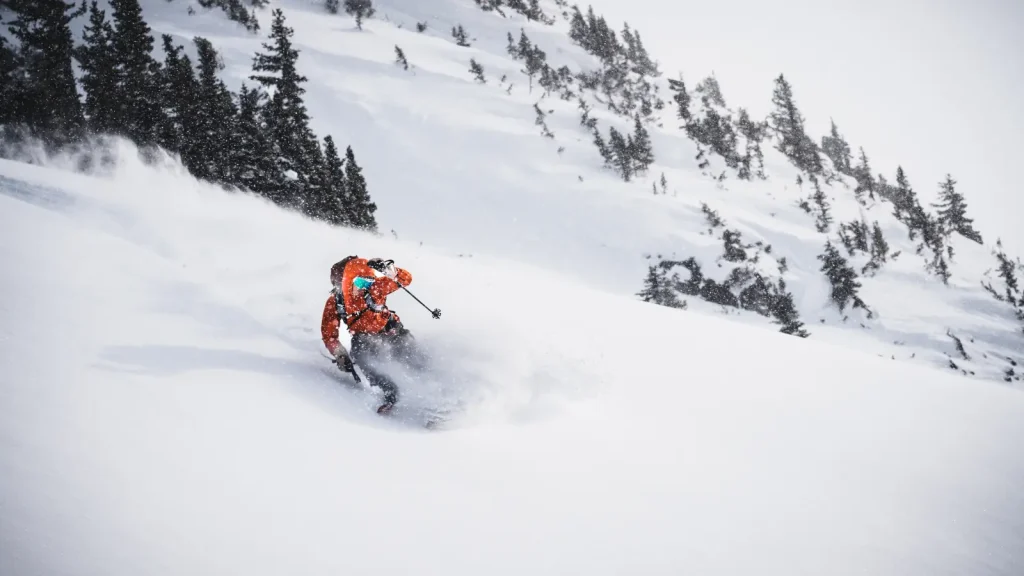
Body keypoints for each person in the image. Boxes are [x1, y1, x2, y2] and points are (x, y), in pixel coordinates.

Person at [321, 256, 420, 414]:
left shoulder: (376, 288)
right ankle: (390, 394)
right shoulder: (335, 302)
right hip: (365, 339)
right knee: (362, 357)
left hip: (391, 331)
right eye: (359, 282)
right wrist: (340, 354)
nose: (363, 287)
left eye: (366, 281)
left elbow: (405, 278)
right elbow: (329, 335)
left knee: (414, 358)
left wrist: (389, 270)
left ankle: (439, 389)